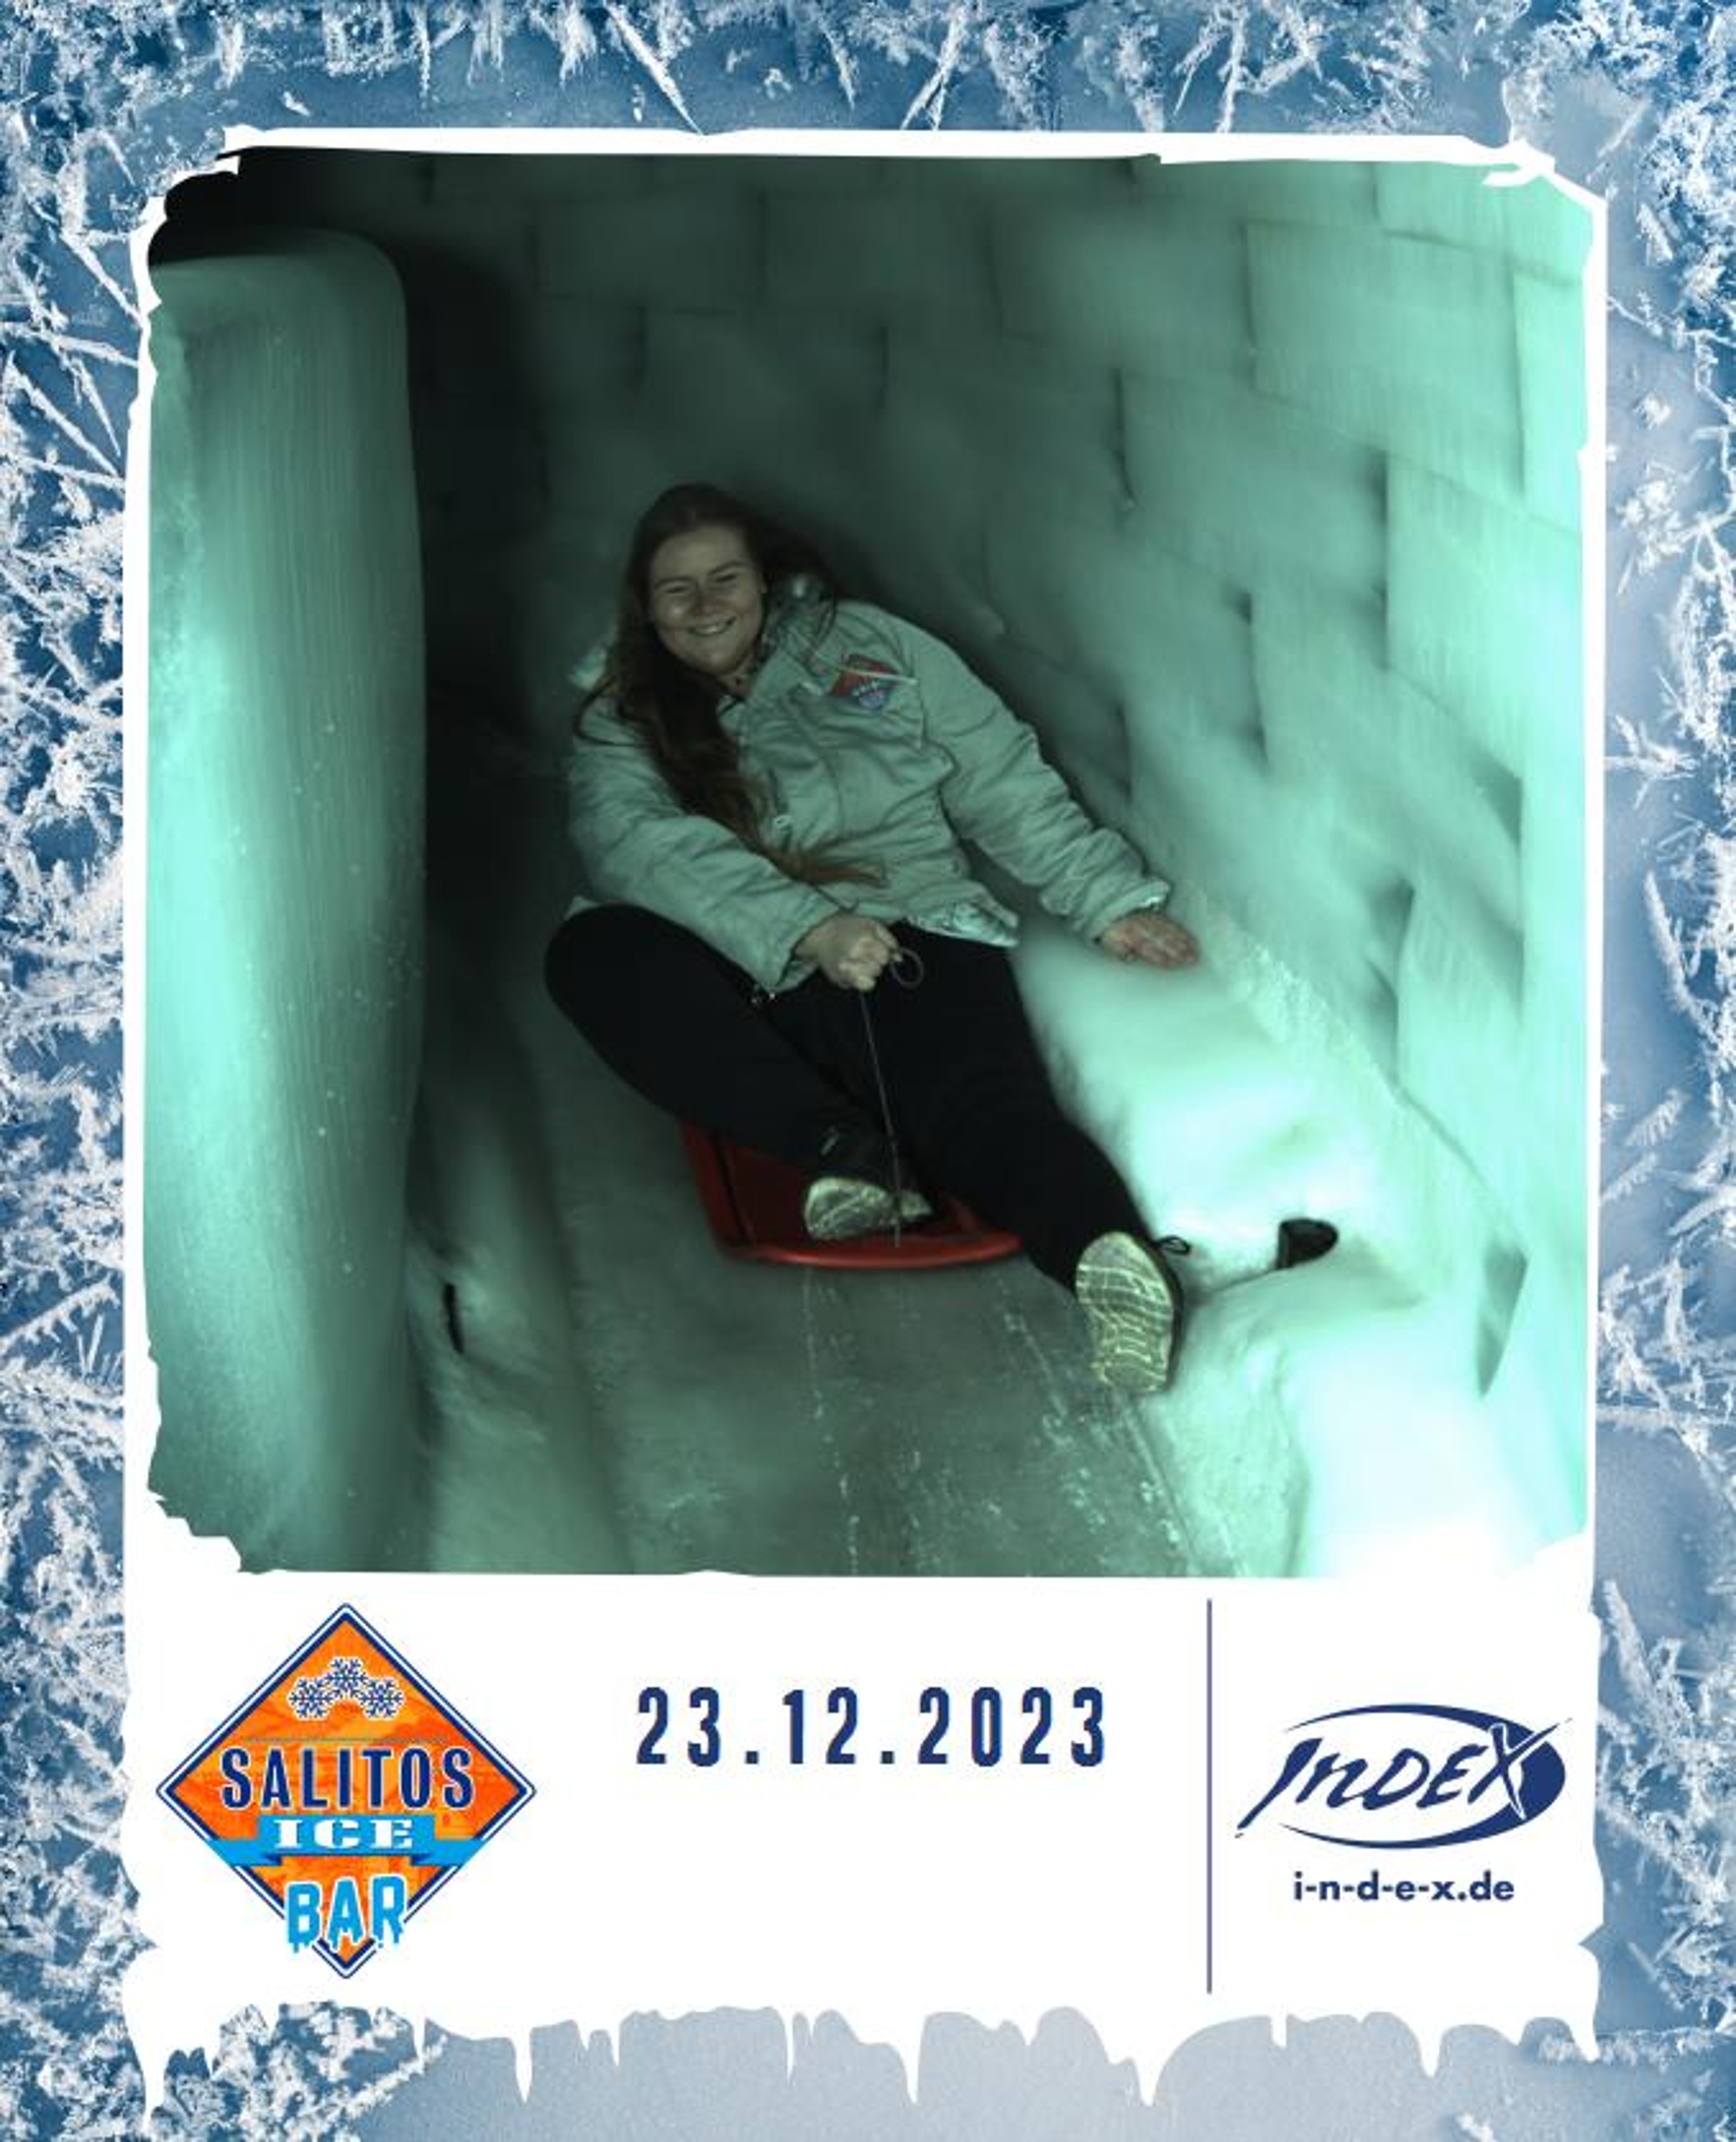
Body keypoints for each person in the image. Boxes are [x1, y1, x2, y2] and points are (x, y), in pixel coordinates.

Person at [543, 483, 1201, 1394]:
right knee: (594, 955)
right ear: (644, 606)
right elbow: (635, 842)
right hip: (751, 963)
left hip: (912, 931)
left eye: (725, 577)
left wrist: (1103, 897)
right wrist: (805, 926)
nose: (704, 605)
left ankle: (1107, 1260)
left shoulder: (868, 650)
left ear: (764, 579)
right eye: (676, 588)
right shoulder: (624, 718)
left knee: (979, 1110)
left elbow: (994, 774)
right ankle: (844, 1153)